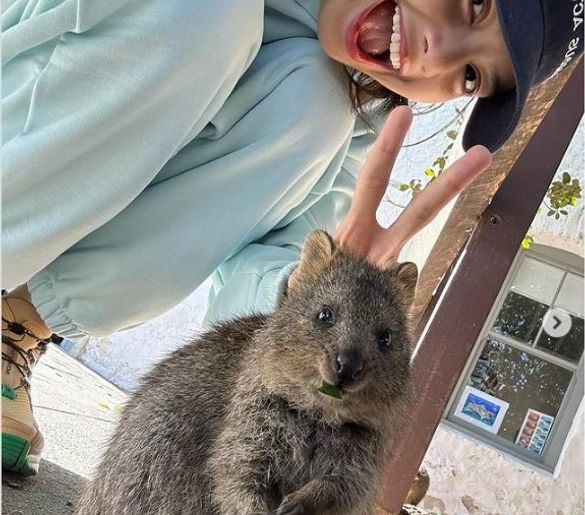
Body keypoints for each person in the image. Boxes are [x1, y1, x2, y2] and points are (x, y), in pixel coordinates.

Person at [2, 0, 582, 476]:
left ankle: (17, 321)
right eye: (476, 5)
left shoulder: (347, 124)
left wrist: (319, 291)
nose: (438, 57)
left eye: (471, 77)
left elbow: (243, 302)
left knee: (313, 102)